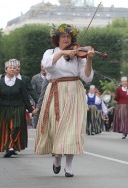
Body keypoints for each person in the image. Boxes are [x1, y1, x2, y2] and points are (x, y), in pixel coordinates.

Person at [34, 23, 94, 177]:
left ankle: (69, 165)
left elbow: (87, 77)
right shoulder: (50, 52)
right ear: (57, 39)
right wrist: (62, 53)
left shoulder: (78, 54)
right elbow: (48, 66)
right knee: (56, 127)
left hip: (74, 90)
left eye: (69, 37)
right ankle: (57, 157)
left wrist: (88, 60)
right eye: (63, 37)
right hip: (56, 90)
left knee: (72, 129)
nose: (66, 39)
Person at [0, 61, 36, 157]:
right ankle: (10, 147)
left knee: (16, 126)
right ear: (5, 70)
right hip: (3, 108)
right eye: (10, 68)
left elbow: (25, 97)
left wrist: (31, 109)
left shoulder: (20, 83)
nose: (12, 69)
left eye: (14, 68)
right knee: (7, 128)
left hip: (18, 107)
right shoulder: (0, 82)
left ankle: (9, 146)